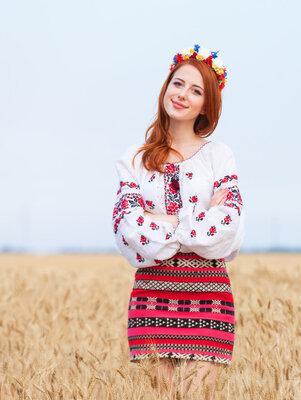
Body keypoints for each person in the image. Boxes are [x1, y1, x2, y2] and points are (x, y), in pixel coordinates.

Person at [111, 44, 244, 399]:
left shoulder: (219, 155)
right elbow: (127, 229)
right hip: (150, 299)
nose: (182, 94)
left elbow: (229, 227)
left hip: (210, 298)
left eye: (196, 90)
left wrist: (162, 220)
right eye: (177, 83)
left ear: (207, 105)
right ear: (165, 87)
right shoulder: (135, 159)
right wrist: (198, 221)